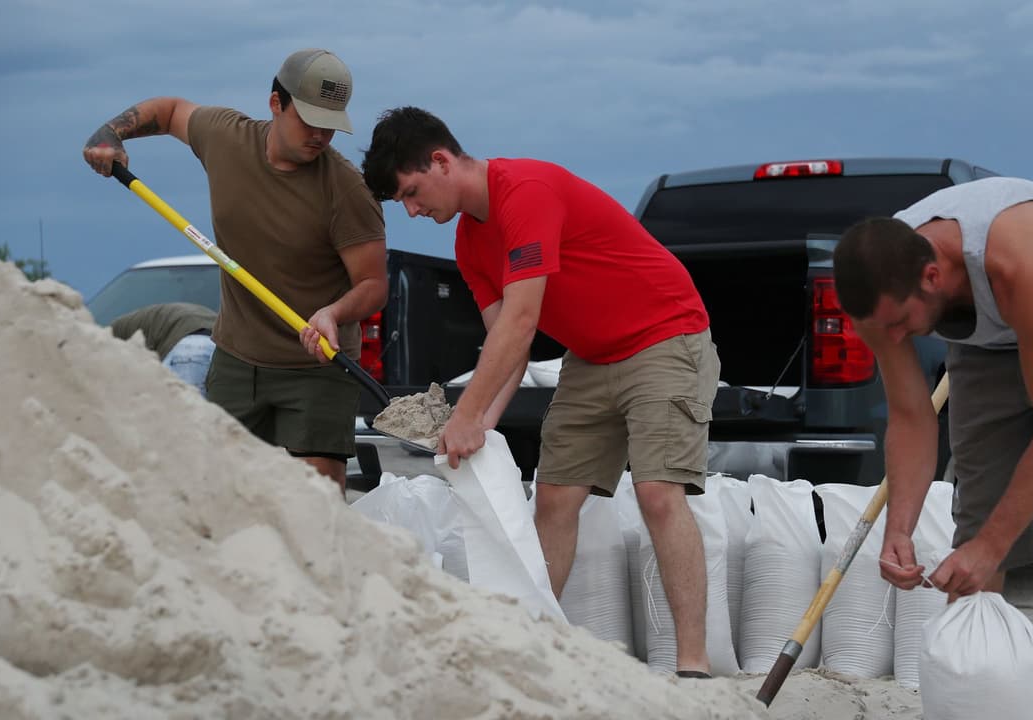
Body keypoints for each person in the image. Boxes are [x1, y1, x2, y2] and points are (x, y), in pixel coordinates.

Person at [361, 107, 719, 677]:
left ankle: (694, 667)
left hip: (665, 336)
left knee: (657, 492)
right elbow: (508, 347)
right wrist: (482, 425)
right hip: (592, 356)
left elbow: (522, 320)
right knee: (553, 500)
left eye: (411, 192)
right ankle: (531, 651)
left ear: (441, 160)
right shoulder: (468, 244)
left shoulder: (525, 191)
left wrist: (467, 413)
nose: (411, 210)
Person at [833, 176, 1033, 719]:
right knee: (977, 518)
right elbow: (912, 417)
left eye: (899, 325)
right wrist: (900, 529)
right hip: (984, 340)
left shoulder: (1011, 260)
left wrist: (991, 548)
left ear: (932, 276)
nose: (894, 341)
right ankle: (976, 704)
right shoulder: (881, 293)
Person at [83, 49, 388, 494]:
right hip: (237, 358)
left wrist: (334, 313)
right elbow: (169, 113)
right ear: (275, 104)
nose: (321, 135)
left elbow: (373, 285)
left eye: (330, 124)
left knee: (317, 502)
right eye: (309, 120)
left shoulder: (347, 190)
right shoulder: (226, 138)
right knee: (222, 492)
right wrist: (111, 132)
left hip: (317, 364)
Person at [109, 302, 218, 396]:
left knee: (174, 412)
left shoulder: (107, 337)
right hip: (219, 348)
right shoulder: (146, 321)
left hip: (190, 348)